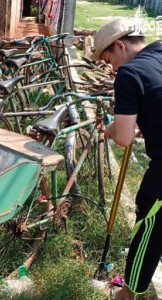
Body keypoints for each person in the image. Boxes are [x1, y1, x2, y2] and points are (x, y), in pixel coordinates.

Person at [91, 18, 162, 299]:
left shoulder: (130, 74)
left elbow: (123, 137)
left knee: (148, 228)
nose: (112, 70)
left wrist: (110, 129)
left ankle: (128, 294)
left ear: (120, 46)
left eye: (110, 61)